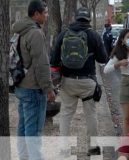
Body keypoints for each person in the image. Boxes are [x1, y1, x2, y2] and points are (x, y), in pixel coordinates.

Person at [50, 7, 108, 156]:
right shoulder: (93, 35)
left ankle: (64, 149)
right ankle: (93, 148)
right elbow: (103, 59)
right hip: (87, 82)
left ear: (75, 18)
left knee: (66, 115)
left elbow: (53, 59)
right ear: (88, 19)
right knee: (91, 115)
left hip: (67, 82)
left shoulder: (64, 34)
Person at [12, 1, 55, 159]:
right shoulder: (35, 33)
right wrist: (48, 89)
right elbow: (41, 64)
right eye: (45, 12)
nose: (47, 15)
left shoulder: (19, 30)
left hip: (21, 85)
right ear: (36, 14)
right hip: (33, 88)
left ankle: (23, 157)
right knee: (34, 131)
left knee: (23, 128)